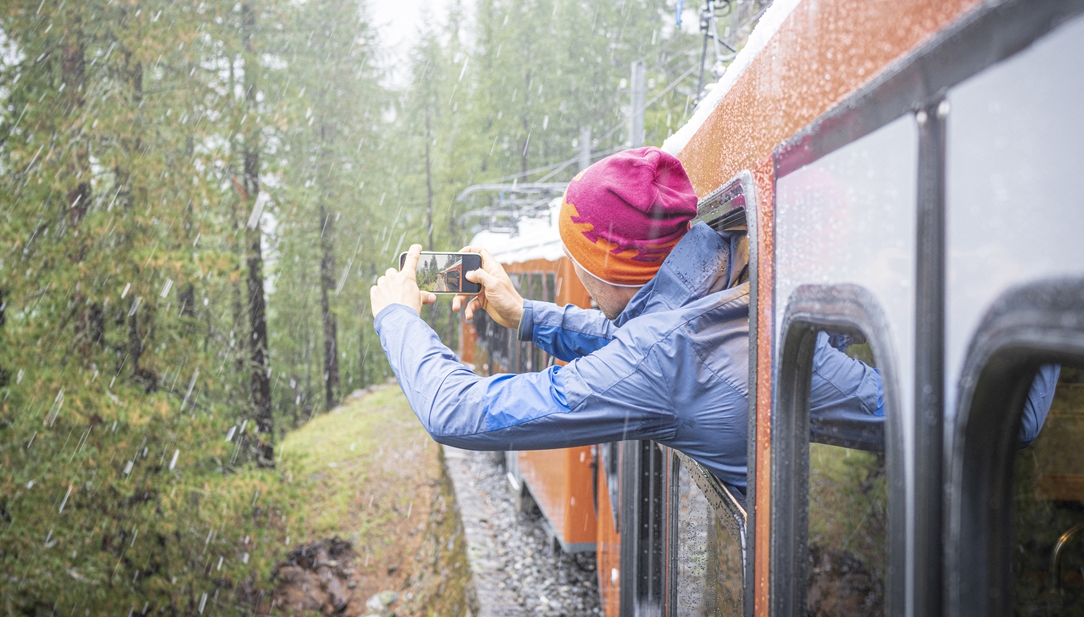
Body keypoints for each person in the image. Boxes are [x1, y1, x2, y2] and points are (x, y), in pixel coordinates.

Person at [370, 147, 1058, 493]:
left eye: (582, 265)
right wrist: (527, 316)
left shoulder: (673, 352)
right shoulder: (715, 269)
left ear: (609, 272)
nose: (579, 278)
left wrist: (400, 317)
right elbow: (637, 341)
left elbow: (459, 412)